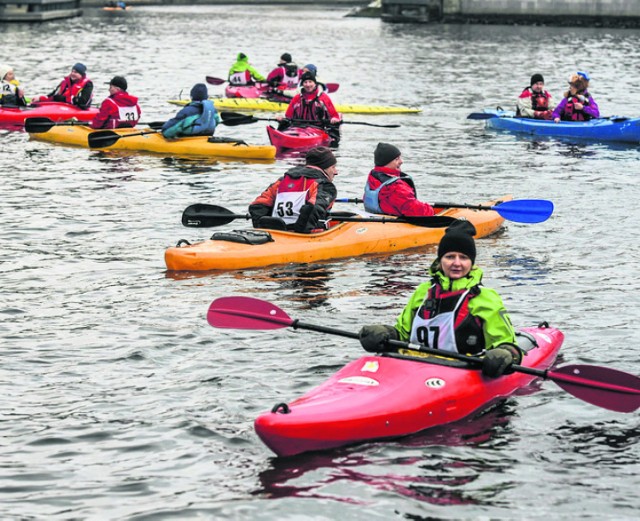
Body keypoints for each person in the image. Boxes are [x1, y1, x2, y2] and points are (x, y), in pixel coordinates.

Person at [358, 220, 522, 378]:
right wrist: (385, 333)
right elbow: (403, 333)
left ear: (471, 263)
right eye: (450, 257)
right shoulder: (424, 291)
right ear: (440, 260)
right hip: (414, 367)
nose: (456, 263)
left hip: (462, 372)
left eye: (463, 258)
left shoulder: (486, 297)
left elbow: (506, 343)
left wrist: (505, 354)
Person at [248, 146, 338, 233]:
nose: (336, 172)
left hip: (277, 233)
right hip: (306, 237)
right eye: (333, 167)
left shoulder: (281, 181)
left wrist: (262, 230)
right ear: (324, 167)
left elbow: (257, 206)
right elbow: (313, 209)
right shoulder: (325, 185)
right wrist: (299, 234)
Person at [363, 143, 435, 217]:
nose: (401, 161)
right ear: (386, 163)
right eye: (396, 159)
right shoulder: (396, 188)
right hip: (394, 223)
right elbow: (418, 212)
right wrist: (430, 210)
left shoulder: (373, 176)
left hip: (378, 217)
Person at [277, 71, 342, 144]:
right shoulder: (297, 98)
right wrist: (281, 118)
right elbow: (288, 116)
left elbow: (335, 115)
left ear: (315, 83)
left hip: (317, 129)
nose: (308, 85)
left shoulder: (324, 98)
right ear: (302, 84)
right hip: (297, 128)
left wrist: (334, 119)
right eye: (305, 82)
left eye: (310, 82)